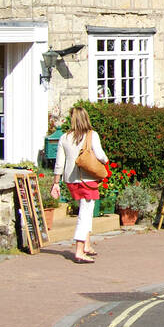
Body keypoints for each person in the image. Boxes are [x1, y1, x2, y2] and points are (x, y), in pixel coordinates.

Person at [52, 107, 106, 264]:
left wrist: (56, 182)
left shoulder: (64, 137)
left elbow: (59, 163)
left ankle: (87, 245)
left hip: (70, 179)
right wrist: (105, 161)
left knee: (86, 211)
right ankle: (79, 251)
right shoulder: (91, 135)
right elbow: (101, 155)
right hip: (87, 179)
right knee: (85, 214)